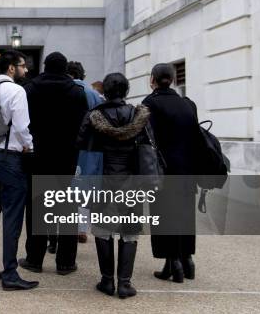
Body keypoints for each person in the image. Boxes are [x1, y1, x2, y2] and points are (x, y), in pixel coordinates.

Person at [77, 72, 151, 299]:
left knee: (102, 230)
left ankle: (107, 280)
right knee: (129, 232)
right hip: (131, 182)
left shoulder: (94, 117)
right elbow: (148, 148)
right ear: (126, 91)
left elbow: (80, 143)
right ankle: (125, 284)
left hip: (102, 180)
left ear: (105, 91)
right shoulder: (138, 116)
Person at [19, 52, 88, 275]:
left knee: (37, 206)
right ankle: (66, 262)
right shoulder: (77, 92)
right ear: (65, 69)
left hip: (37, 155)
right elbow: (82, 125)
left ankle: (35, 259)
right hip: (66, 156)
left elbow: (24, 123)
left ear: (45, 66)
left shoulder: (29, 89)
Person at [0, 50, 39, 291]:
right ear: (12, 68)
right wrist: (30, 147)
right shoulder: (17, 91)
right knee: (13, 215)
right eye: (23, 66)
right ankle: (10, 273)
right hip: (10, 157)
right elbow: (23, 127)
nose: (26, 70)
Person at [143, 63, 199, 283]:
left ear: (152, 80)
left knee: (164, 215)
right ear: (174, 80)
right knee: (185, 215)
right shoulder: (188, 104)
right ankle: (187, 260)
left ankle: (172, 262)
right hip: (187, 169)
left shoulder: (150, 104)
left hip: (164, 169)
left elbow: (147, 140)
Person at [68, 61, 105, 244]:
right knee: (85, 189)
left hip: (68, 147)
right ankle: (82, 229)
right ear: (82, 75)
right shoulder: (94, 95)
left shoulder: (65, 90)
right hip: (90, 148)